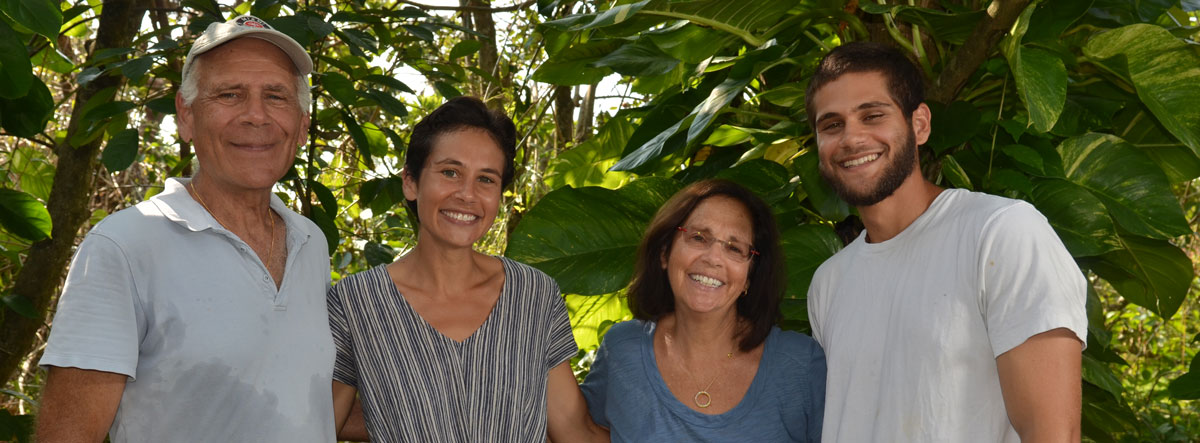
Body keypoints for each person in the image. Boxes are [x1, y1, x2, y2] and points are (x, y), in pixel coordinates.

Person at [36, 15, 334, 442]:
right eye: (229, 95)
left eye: (276, 96)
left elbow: (304, 401)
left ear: (303, 124)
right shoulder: (123, 246)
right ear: (186, 115)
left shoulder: (310, 242)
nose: (256, 115)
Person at [804, 42, 1088, 442]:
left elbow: (1053, 432)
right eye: (832, 125)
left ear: (919, 124)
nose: (851, 138)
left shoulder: (1000, 232)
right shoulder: (828, 282)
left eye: (872, 115)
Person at [327, 96, 607, 442]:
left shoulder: (534, 294)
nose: (467, 194)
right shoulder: (356, 303)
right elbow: (319, 427)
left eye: (486, 180)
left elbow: (573, 429)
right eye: (450, 172)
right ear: (411, 182)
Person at [581, 179, 826, 442]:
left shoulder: (800, 365)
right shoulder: (622, 350)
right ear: (665, 252)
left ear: (750, 277)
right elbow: (573, 431)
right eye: (699, 237)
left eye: (734, 248)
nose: (713, 258)